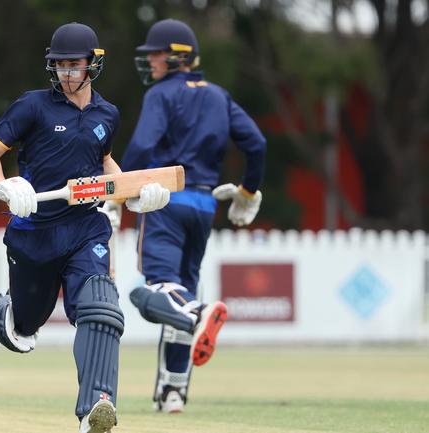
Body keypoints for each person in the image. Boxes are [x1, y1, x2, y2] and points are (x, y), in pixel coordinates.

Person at [0, 22, 170, 433]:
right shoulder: (32, 106)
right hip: (35, 233)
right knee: (24, 328)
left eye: (73, 65)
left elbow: (103, 166)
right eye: (59, 65)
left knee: (101, 306)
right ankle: (8, 315)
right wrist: (6, 186)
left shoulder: (107, 114)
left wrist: (134, 194)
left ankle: (95, 408)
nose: (66, 73)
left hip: (86, 227)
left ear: (92, 65)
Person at [107, 18, 267, 414]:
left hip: (165, 199)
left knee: (154, 290)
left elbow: (144, 144)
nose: (151, 62)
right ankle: (172, 393)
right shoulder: (218, 95)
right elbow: (257, 144)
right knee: (176, 297)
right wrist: (247, 192)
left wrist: (118, 192)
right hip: (204, 205)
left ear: (178, 56)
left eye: (157, 54)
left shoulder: (162, 94)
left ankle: (199, 315)